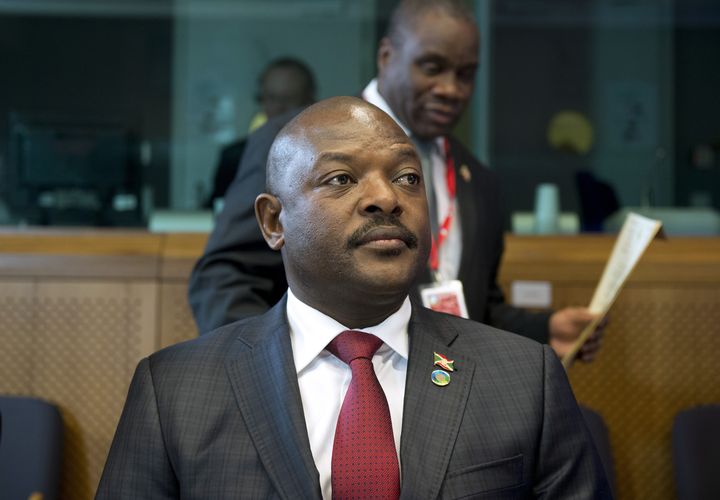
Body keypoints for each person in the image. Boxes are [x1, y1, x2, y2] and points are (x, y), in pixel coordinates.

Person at [97, 97, 611, 498]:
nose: (387, 198)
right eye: (341, 179)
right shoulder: (173, 392)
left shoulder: (526, 381)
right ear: (274, 222)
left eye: (407, 178)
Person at [189, 0, 603, 363]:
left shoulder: (478, 180)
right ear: (387, 56)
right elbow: (225, 277)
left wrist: (544, 330)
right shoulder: (298, 143)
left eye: (466, 74)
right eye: (432, 67)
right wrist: (267, 372)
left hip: (442, 401)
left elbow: (471, 305)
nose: (450, 89)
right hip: (329, 391)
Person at [205, 57, 316, 208]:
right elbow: (216, 210)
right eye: (270, 98)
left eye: (287, 99)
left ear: (309, 102)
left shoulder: (323, 154)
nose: (278, 107)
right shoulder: (234, 158)